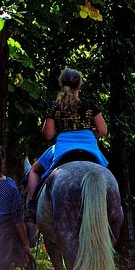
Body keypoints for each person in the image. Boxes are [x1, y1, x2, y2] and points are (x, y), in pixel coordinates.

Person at [23, 68, 109, 224]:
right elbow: (103, 130)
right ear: (79, 86)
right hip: (90, 147)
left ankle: (31, 207)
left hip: (63, 147)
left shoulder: (55, 107)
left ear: (61, 85)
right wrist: (91, 132)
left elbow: (48, 134)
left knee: (34, 170)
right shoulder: (90, 105)